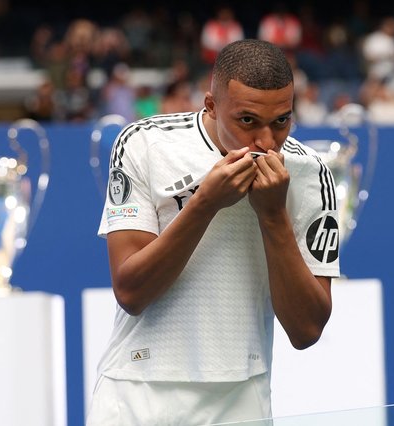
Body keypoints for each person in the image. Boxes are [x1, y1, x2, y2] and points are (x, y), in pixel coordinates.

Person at [88, 39, 340, 425]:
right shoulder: (144, 142)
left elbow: (306, 330)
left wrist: (273, 216)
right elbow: (131, 291)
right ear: (210, 105)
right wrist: (204, 203)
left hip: (242, 396)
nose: (266, 142)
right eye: (247, 121)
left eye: (281, 121)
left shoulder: (310, 172)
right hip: (137, 391)